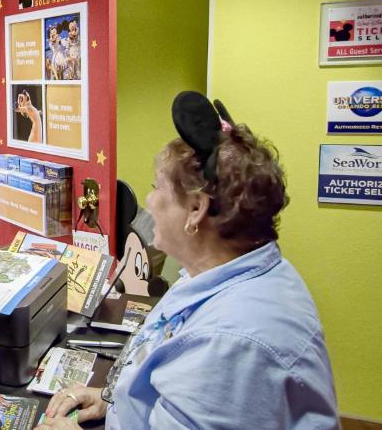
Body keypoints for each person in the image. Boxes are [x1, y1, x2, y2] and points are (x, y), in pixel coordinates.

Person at [38, 92, 338, 429]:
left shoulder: (229, 341)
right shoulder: (223, 271)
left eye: (157, 188)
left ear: (196, 209)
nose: (150, 200)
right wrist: (114, 400)